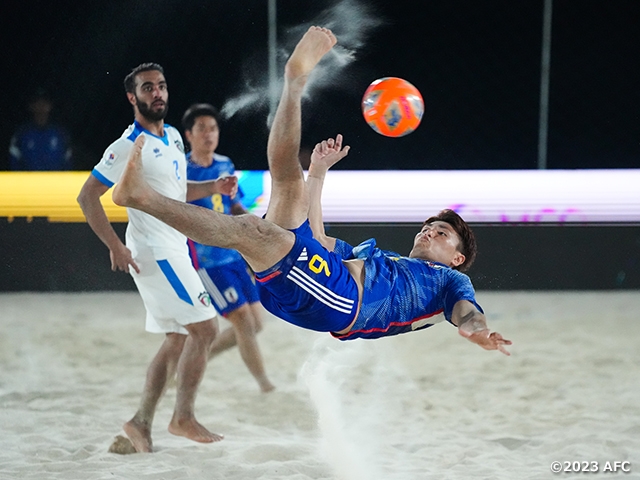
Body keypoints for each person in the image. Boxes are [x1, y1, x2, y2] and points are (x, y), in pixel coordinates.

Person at [111, 28, 511, 356]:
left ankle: (142, 197)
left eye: (442, 233)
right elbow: (317, 241)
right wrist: (317, 175)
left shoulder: (449, 282)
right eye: (429, 226)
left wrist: (478, 330)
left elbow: (466, 313)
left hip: (342, 303)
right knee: (288, 179)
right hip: (326, 281)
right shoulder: (384, 259)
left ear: (458, 257)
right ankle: (294, 83)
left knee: (253, 230)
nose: (429, 231)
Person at [77, 63, 238, 453]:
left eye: (161, 86)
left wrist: (213, 185)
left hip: (174, 246)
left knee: (178, 338)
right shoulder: (127, 145)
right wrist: (115, 246)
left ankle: (140, 423)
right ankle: (182, 417)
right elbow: (87, 197)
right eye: (148, 88)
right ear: (133, 98)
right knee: (206, 330)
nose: (157, 93)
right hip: (155, 251)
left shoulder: (171, 138)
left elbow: (176, 191)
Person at [182, 103, 275, 393]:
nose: (209, 134)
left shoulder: (224, 164)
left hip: (233, 253)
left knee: (255, 324)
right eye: (202, 129)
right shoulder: (182, 169)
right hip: (206, 259)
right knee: (244, 323)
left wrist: (252, 222)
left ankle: (193, 359)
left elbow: (233, 204)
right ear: (189, 135)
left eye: (213, 128)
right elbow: (177, 197)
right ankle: (266, 387)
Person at [9, 88, 72, 170]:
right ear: (31, 106)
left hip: (55, 182)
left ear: (50, 106)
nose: (41, 106)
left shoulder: (61, 134)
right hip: (28, 182)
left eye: (44, 103)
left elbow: (68, 164)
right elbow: (14, 164)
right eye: (37, 103)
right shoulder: (21, 134)